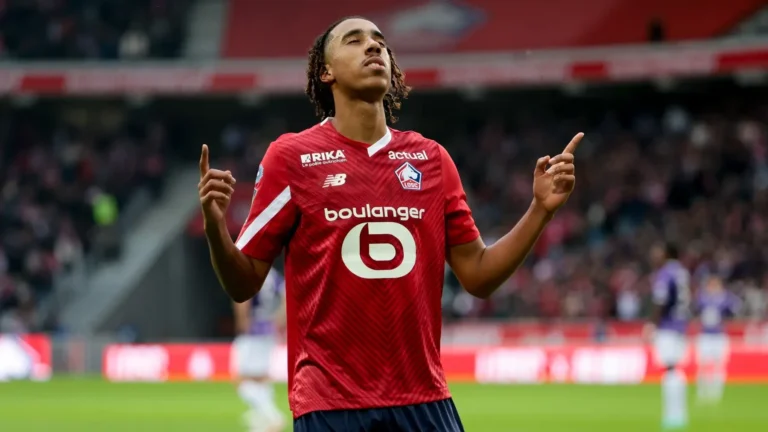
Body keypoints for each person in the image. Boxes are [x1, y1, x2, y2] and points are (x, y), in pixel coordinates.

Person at [198, 16, 581, 431]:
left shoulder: (431, 159)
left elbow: (479, 275)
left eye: (380, 41)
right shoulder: (291, 157)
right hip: (330, 403)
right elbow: (243, 283)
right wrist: (216, 229)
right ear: (326, 72)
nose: (373, 46)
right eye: (354, 40)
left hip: (425, 400)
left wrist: (540, 210)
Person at [231, 267, 286, 432]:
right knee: (261, 378)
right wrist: (279, 320)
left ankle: (272, 414)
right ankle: (261, 416)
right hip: (268, 329)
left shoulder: (248, 273)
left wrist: (242, 322)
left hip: (252, 331)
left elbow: (242, 300)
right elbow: (287, 295)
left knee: (240, 381)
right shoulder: (272, 275)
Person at [646, 243, 691, 430]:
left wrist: (652, 324)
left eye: (657, 253)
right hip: (680, 325)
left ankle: (674, 417)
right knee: (674, 369)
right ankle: (678, 415)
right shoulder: (682, 272)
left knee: (670, 370)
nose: (653, 257)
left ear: (666, 254)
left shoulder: (665, 273)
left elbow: (660, 300)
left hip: (668, 326)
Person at [695, 275, 740, 404]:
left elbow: (734, 310)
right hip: (705, 335)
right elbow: (696, 310)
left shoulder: (725, 298)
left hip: (719, 335)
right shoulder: (702, 298)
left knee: (719, 365)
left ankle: (716, 392)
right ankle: (702, 392)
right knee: (703, 365)